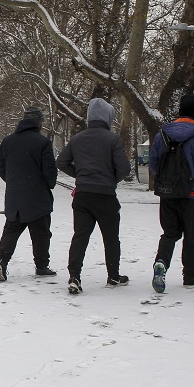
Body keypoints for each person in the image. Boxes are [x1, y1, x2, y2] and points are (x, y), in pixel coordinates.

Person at [56, 98, 131, 294]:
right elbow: (124, 168)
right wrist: (111, 178)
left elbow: (61, 162)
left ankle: (74, 276)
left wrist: (80, 175)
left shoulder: (77, 139)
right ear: (107, 117)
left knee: (80, 236)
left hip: (82, 196)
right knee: (111, 237)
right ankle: (113, 276)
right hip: (105, 196)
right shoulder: (112, 139)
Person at [148, 93, 194, 291]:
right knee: (192, 235)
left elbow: (154, 164)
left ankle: (161, 262)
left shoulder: (162, 135)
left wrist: (169, 179)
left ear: (179, 111)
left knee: (169, 233)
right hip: (192, 195)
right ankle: (190, 277)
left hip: (167, 193)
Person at [0, 106, 58, 282]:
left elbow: (0, 166)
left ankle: (2, 261)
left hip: (15, 197)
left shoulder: (7, 141)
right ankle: (42, 266)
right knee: (41, 234)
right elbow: (50, 173)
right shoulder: (43, 143)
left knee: (11, 231)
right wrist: (44, 184)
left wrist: (13, 181)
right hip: (38, 198)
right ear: (38, 122)